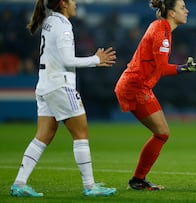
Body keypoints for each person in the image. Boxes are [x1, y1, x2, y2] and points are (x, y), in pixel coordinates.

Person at [10, 0, 117, 197]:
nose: (76, 3)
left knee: (44, 136)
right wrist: (96, 60)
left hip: (44, 85)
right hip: (60, 85)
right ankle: (90, 186)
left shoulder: (49, 21)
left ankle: (19, 183)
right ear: (63, 3)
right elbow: (67, 60)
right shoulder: (63, 26)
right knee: (81, 133)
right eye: (73, 1)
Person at [114, 0, 196, 191]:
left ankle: (138, 179)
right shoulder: (161, 32)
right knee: (162, 133)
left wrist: (185, 67)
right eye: (182, 7)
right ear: (172, 13)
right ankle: (137, 180)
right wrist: (186, 68)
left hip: (140, 85)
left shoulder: (161, 28)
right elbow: (163, 68)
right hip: (135, 86)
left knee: (162, 133)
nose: (187, 10)